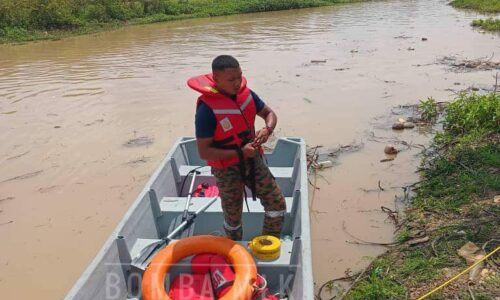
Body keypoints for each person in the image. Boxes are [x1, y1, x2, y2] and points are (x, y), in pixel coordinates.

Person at [187, 55, 286, 241]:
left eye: (239, 77)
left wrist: (267, 128)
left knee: (277, 203)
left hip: (253, 159)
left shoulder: (246, 94)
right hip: (226, 169)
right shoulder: (206, 110)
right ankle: (235, 253)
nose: (237, 83)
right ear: (216, 80)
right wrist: (240, 152)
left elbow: (269, 113)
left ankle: (268, 243)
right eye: (231, 79)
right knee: (233, 219)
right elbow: (204, 151)